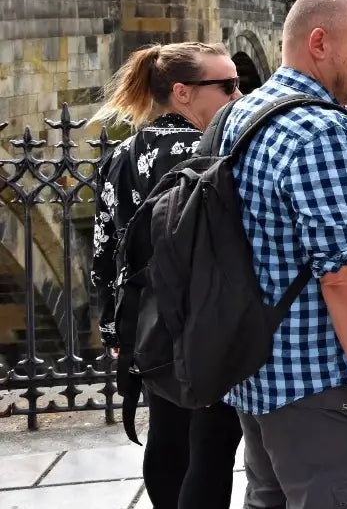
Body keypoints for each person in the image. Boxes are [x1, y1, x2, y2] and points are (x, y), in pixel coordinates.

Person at [219, 0, 347, 508]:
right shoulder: (323, 131)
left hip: (257, 378)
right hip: (324, 386)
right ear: (319, 42)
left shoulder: (243, 113)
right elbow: (346, 276)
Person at [91, 42, 243, 509]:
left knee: (168, 435)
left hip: (148, 324)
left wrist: (114, 325)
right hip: (206, 322)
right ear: (182, 92)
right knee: (213, 445)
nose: (239, 96)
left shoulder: (121, 154)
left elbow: (105, 246)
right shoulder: (214, 152)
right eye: (227, 86)